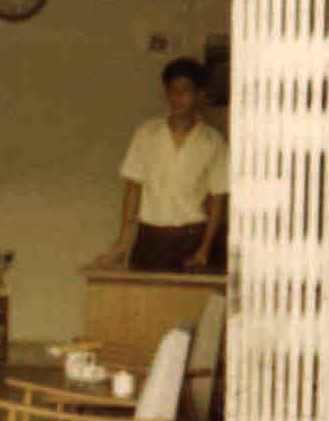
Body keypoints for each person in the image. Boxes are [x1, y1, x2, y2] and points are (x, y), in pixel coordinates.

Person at [93, 56, 229, 272]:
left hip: (192, 238)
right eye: (172, 91)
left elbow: (218, 199)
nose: (178, 98)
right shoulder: (147, 133)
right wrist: (121, 243)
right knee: (143, 302)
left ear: (199, 94)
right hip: (150, 238)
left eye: (185, 90)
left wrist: (205, 248)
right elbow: (132, 189)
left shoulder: (214, 141)